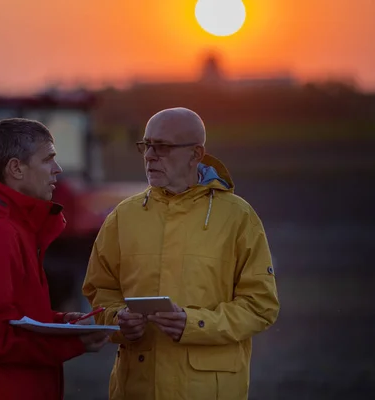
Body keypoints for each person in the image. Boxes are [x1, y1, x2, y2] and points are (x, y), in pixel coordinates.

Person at [82, 107, 280, 400]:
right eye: (146, 145)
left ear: (196, 154)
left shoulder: (239, 217)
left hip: (208, 390)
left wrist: (195, 324)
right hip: (136, 388)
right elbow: (101, 291)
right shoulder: (123, 216)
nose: (149, 156)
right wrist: (118, 319)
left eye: (161, 146)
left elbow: (260, 306)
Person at [0, 118, 110, 400]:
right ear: (16, 168)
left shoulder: (17, 227)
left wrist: (63, 325)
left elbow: (17, 318)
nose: (57, 169)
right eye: (48, 159)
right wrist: (71, 343)